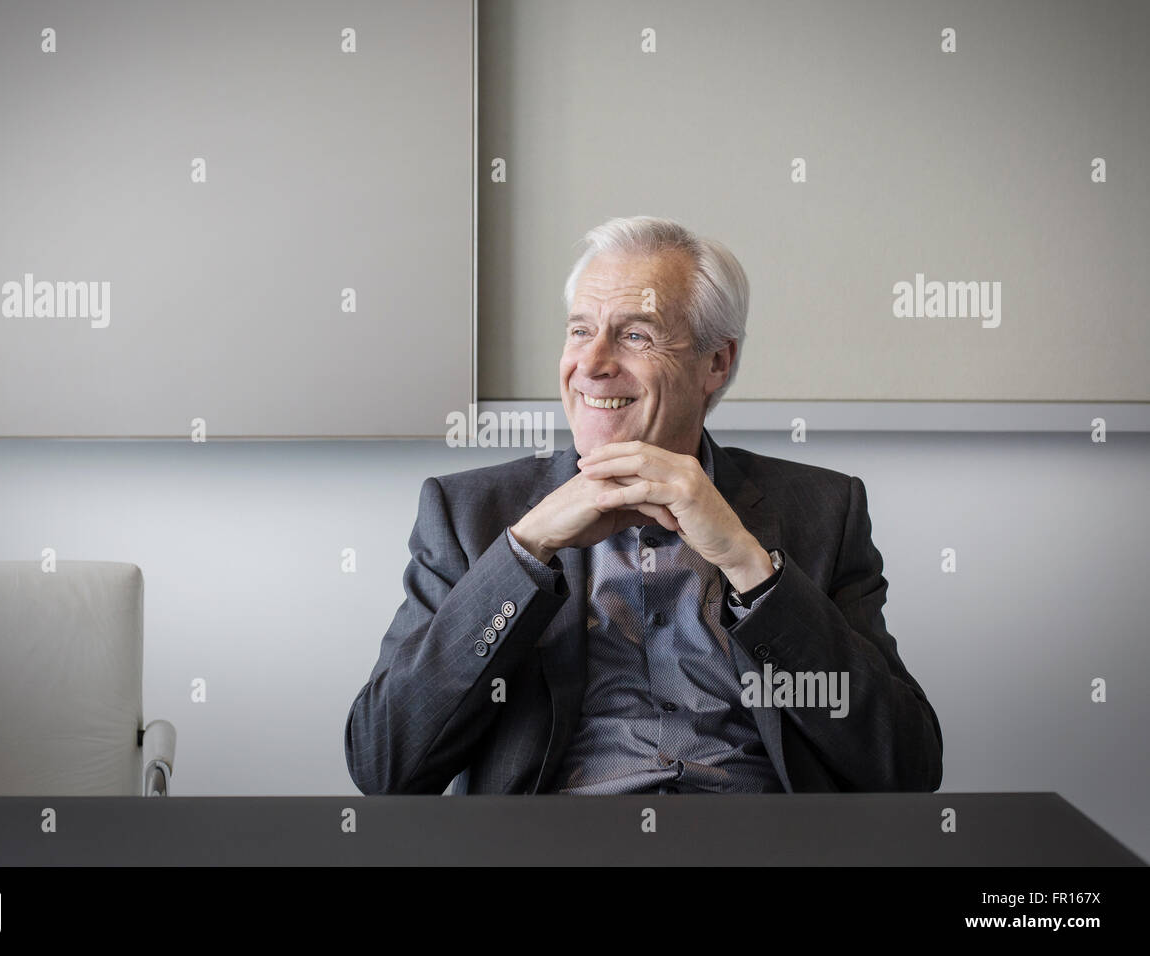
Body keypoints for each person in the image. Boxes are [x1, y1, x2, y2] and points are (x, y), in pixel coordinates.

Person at [345, 215, 943, 795]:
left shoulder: (823, 510)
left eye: (635, 335)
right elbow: (385, 764)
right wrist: (523, 556)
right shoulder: (469, 513)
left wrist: (750, 569)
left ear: (717, 362)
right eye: (580, 330)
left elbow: (904, 768)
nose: (594, 364)